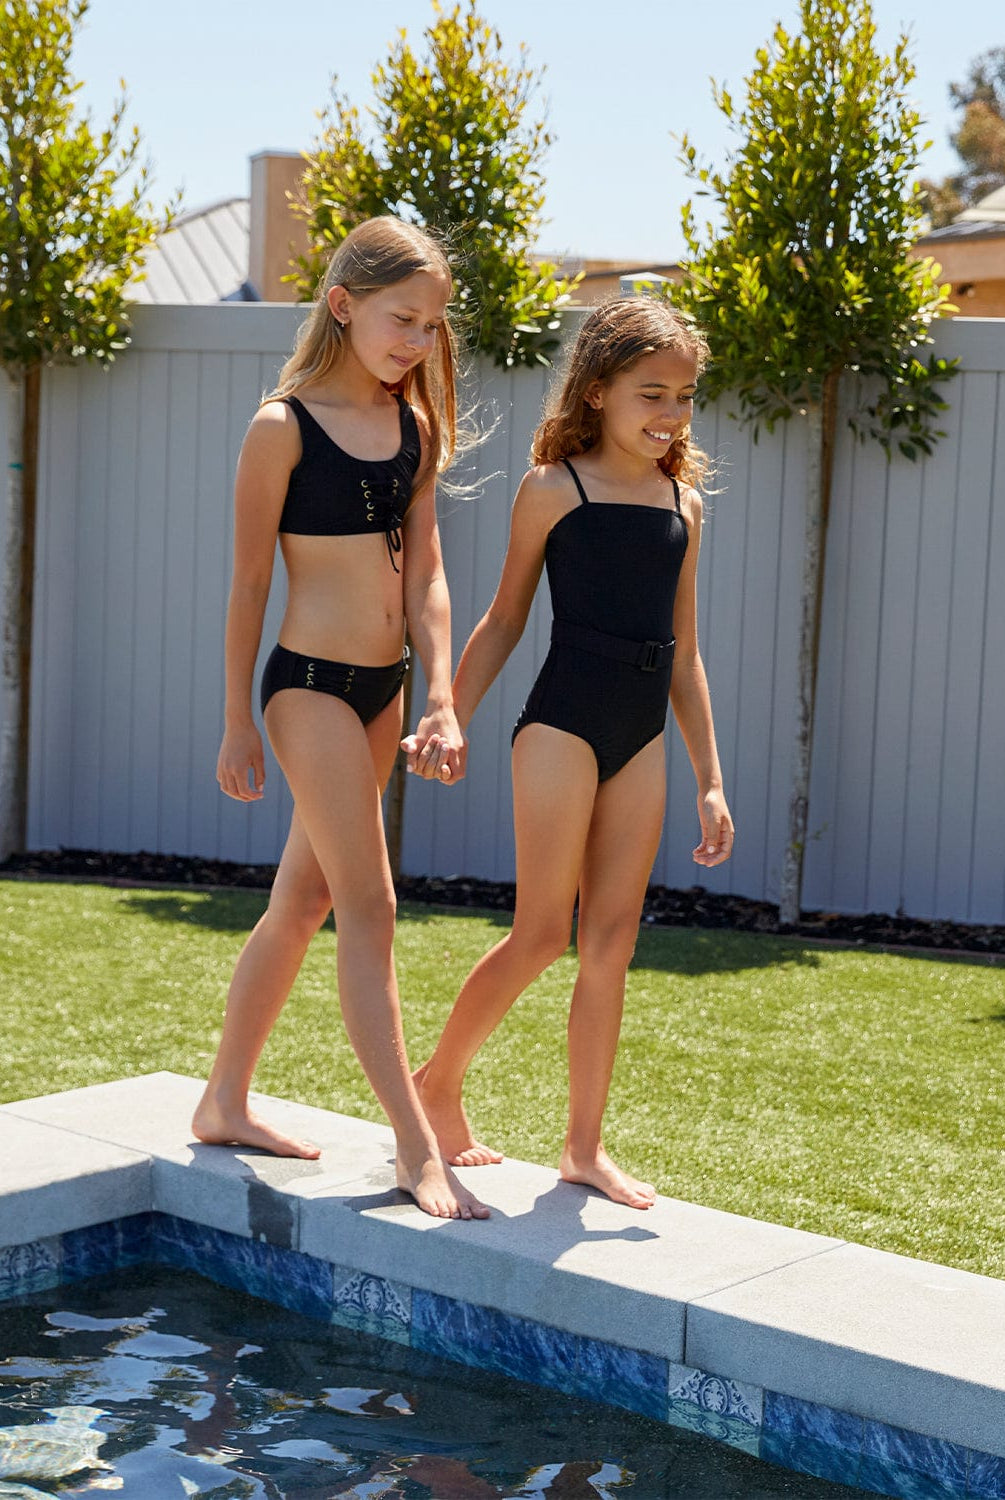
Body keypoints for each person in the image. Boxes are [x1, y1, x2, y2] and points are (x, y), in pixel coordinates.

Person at [192, 216, 487, 1221]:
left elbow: (429, 578)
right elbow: (242, 584)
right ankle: (415, 1145)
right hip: (309, 686)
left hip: (385, 689)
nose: (416, 340)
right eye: (402, 319)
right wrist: (238, 719)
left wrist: (442, 693)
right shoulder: (282, 427)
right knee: (373, 908)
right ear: (343, 305)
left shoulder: (415, 429)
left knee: (304, 904)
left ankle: (222, 1101)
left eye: (432, 326)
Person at [412, 296, 734, 1210]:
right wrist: (448, 711)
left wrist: (710, 777)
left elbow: (686, 649)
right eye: (651, 393)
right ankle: (438, 1082)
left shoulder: (685, 503)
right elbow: (506, 615)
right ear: (598, 392)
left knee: (612, 941)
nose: (669, 414)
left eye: (682, 396)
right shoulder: (555, 488)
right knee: (542, 930)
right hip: (560, 726)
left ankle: (582, 1148)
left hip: (641, 736)